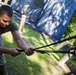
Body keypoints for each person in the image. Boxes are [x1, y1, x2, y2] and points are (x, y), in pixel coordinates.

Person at [0, 5, 34, 75]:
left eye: (9, 21)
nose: (7, 24)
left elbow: (18, 40)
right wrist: (9, 51)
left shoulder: (11, 24)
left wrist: (26, 48)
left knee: (1, 62)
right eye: (5, 21)